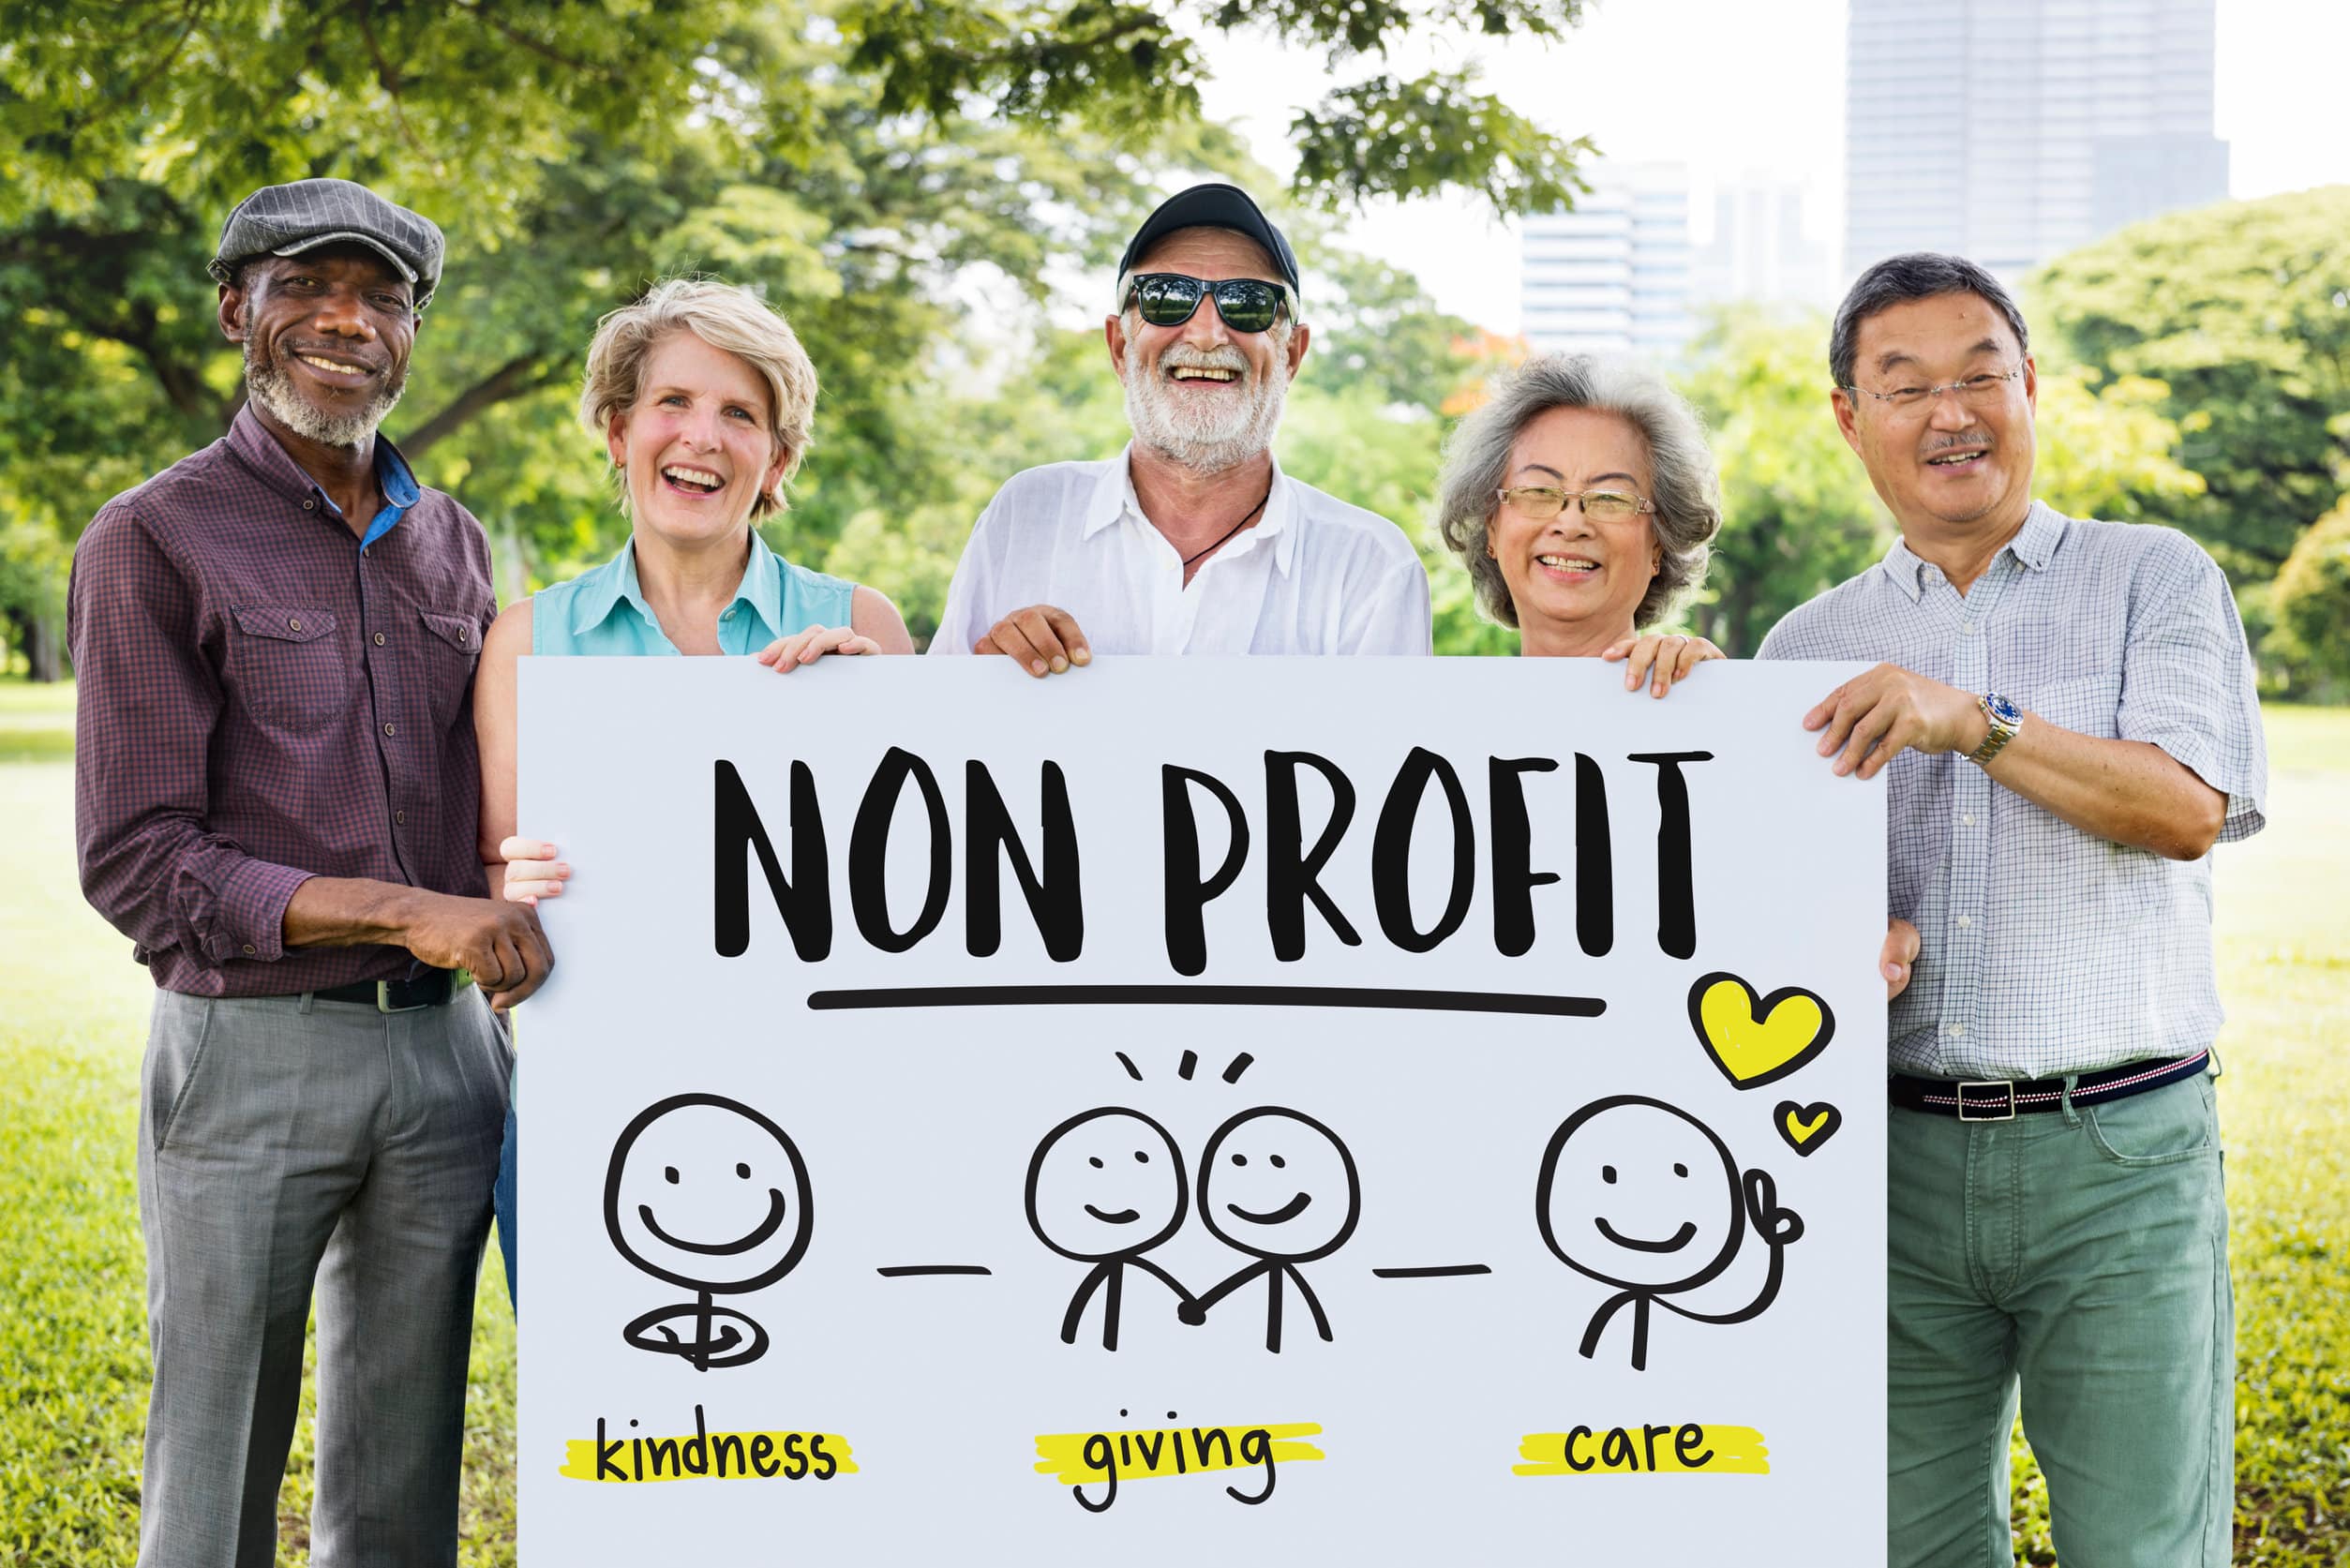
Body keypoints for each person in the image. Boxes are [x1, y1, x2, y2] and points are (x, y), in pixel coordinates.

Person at [1759, 252, 2267, 1566]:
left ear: (2029, 386)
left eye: (1979, 373)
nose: (1948, 411)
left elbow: (2183, 811)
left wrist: (1969, 720)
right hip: (1885, 1162)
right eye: (1904, 383)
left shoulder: (2152, 577)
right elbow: (1760, 920)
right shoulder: (1804, 649)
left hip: (2117, 1156)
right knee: (1901, 1544)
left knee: (2139, 1547)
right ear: (1845, 416)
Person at [68, 177, 548, 1567]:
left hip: (451, 1061)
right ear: (238, 311)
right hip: (252, 1052)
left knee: (403, 1479)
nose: (346, 319)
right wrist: (414, 911)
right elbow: (138, 861)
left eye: (382, 296)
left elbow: (504, 794)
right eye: (306, 286)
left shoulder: (453, 543)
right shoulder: (153, 534)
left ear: (411, 332)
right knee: (215, 1461)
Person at [477, 278, 913, 1307]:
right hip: (593, 1101)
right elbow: (492, 893)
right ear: (620, 428)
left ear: (778, 458)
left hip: (823, 1101)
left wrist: (873, 716)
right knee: (620, 1422)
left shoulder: (861, 624)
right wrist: (514, 884)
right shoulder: (529, 640)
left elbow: (923, 897)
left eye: (740, 414)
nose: (701, 437)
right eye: (673, 402)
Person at [1431, 351, 1922, 990]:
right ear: (1491, 527)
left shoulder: (1730, 734)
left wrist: (1714, 710)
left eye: (1609, 498)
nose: (1570, 521)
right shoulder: (1436, 740)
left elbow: (1798, 924)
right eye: (1537, 490)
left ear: (1659, 544)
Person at [932, 182, 1431, 669]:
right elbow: (936, 729)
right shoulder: (1025, 518)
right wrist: (989, 681)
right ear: (1120, 348)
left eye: (1248, 302)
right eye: (1167, 298)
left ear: (1292, 355)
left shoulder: (1370, 565)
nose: (1209, 334)